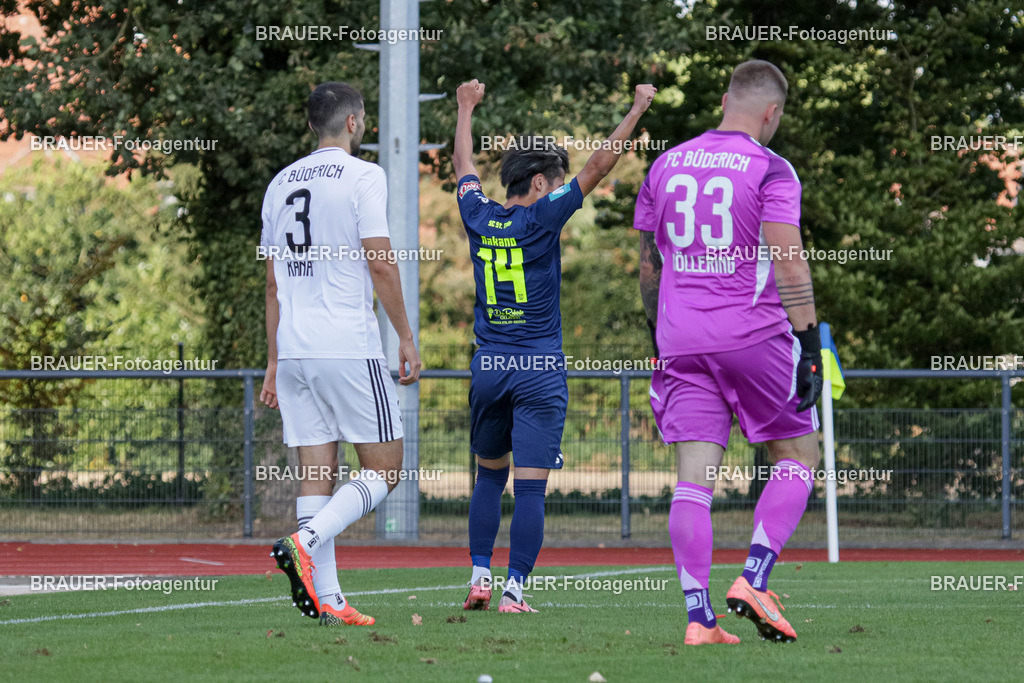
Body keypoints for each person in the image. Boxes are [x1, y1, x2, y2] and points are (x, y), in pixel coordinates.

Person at [634, 59, 823, 645]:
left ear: (724, 100)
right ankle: (755, 580)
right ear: (771, 112)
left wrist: (658, 333)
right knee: (800, 453)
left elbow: (648, 262)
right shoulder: (771, 168)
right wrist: (810, 341)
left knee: (693, 481)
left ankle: (699, 620)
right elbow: (787, 258)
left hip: (679, 339)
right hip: (753, 334)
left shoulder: (666, 164)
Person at [454, 78, 656, 612]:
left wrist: (465, 108)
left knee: (488, 477)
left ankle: (479, 576)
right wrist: (637, 108)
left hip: (489, 365)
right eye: (557, 183)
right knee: (532, 488)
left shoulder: (478, 215)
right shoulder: (543, 217)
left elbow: (462, 169)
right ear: (541, 183)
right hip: (538, 367)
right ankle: (514, 590)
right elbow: (599, 167)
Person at [260, 81, 421, 626]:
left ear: (312, 126)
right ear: (353, 123)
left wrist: (274, 362)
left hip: (295, 349)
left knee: (316, 471)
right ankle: (304, 542)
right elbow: (380, 262)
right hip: (346, 346)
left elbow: (272, 285)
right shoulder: (364, 175)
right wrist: (404, 334)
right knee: (386, 469)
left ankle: (327, 599)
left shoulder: (279, 183)